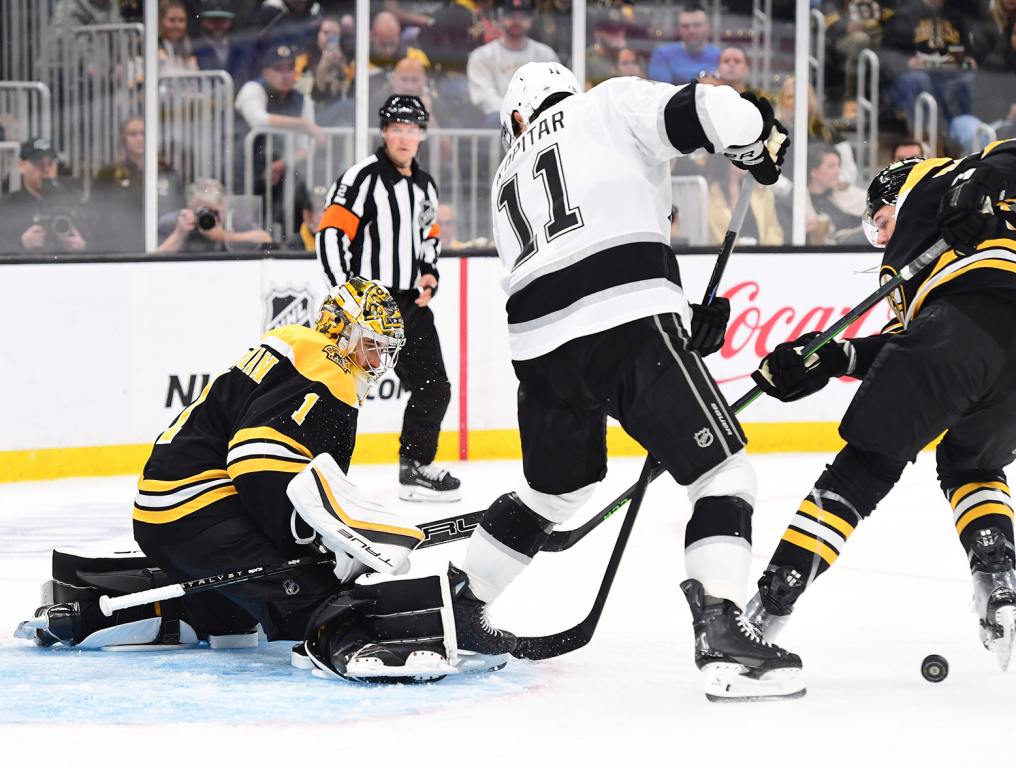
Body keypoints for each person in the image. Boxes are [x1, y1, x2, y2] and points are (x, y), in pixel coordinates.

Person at [446, 62, 802, 701]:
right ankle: (722, 632)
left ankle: (461, 607)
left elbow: (583, 249)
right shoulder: (602, 106)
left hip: (540, 351)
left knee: (554, 491)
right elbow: (716, 112)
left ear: (518, 117)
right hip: (627, 329)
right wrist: (755, 135)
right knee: (723, 476)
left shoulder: (507, 176)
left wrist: (683, 314)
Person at [18, 278, 417, 657]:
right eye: (371, 344)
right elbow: (256, 456)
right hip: (199, 509)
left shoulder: (298, 348)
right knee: (317, 598)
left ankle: (87, 615)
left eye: (385, 349)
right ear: (342, 334)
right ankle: (355, 645)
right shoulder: (329, 367)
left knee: (233, 618)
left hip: (170, 510)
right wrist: (312, 542)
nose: (379, 359)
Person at [746, 141, 1016, 674]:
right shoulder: (914, 263)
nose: (882, 239)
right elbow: (904, 351)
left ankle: (773, 601)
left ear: (897, 191)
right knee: (973, 464)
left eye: (881, 223)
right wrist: (830, 358)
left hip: (965, 320)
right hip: (987, 348)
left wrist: (979, 183)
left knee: (867, 463)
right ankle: (998, 579)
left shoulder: (944, 180)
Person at [316, 95, 461, 503]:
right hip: (366, 304)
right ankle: (321, 472)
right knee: (340, 391)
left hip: (410, 304)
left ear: (422, 134)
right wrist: (347, 295)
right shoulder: (361, 178)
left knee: (435, 387)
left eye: (411, 128)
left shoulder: (426, 185)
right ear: (383, 132)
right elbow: (330, 235)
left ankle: (415, 467)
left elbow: (428, 236)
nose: (403, 136)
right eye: (396, 128)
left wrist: (430, 273)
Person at [92, 116, 187, 252]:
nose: (139, 139)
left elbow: (179, 211)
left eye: (143, 134)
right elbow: (97, 213)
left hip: (163, 248)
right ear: (123, 139)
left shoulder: (166, 173)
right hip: (119, 249)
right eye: (133, 134)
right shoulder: (109, 174)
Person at [466, 0, 558, 126]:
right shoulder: (482, 55)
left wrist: (532, 114)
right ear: (500, 19)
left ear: (531, 20)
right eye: (511, 16)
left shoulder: (545, 55)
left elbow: (554, 91)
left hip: (538, 121)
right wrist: (513, 114)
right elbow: (484, 96)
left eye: (523, 16)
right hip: (498, 120)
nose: (516, 21)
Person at [0, 138, 90, 254]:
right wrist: (21, 245)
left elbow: (101, 242)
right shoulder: (5, 209)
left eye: (51, 163)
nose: (46, 169)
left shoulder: (75, 204)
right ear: (21, 166)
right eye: (39, 164)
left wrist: (83, 247)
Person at [158, 177, 273, 253]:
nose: (209, 217)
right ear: (190, 207)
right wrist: (179, 234)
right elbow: (150, 261)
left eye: (214, 212)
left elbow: (265, 239)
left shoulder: (234, 221)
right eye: (202, 210)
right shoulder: (173, 222)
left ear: (224, 206)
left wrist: (224, 236)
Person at [705, 154, 783, 246]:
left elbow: (774, 231)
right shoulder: (708, 196)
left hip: (759, 256)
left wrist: (764, 252)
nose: (746, 161)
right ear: (726, 159)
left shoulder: (761, 193)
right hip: (724, 257)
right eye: (740, 156)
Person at [804, 143, 866, 245]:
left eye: (839, 166)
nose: (838, 171)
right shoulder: (801, 203)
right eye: (831, 167)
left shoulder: (843, 191)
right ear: (814, 172)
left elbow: (870, 202)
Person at [647, 3, 721, 86]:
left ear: (708, 27)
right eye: (685, 26)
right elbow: (662, 93)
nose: (691, 31)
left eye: (697, 25)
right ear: (679, 29)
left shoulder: (722, 56)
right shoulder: (662, 55)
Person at [191, 0, 256, 88]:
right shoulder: (194, 48)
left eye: (222, 20)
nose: (218, 24)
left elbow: (242, 76)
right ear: (203, 21)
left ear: (230, 21)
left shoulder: (239, 48)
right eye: (213, 20)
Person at [159, 0, 199, 75]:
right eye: (172, 20)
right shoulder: (152, 47)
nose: (177, 25)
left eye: (181, 20)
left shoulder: (191, 47)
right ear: (161, 20)